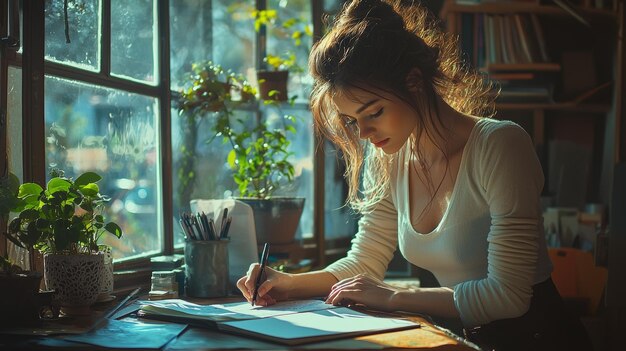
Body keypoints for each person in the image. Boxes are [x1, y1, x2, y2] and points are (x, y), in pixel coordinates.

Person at [237, 1, 592, 350]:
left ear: (414, 81)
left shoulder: (500, 145)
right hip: (463, 339)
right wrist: (286, 284)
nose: (363, 133)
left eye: (373, 112)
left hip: (537, 339)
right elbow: (365, 262)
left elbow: (508, 296)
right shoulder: (389, 156)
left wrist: (394, 296)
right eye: (352, 121)